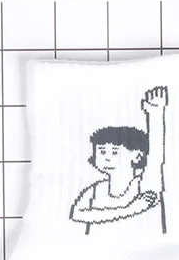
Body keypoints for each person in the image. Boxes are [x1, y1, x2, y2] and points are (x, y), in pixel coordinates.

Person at [70, 86, 167, 234]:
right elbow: (77, 214)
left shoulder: (144, 184)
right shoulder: (95, 190)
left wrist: (155, 114)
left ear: (137, 155)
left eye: (115, 152)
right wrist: (129, 209)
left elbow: (155, 156)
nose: (106, 157)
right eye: (102, 151)